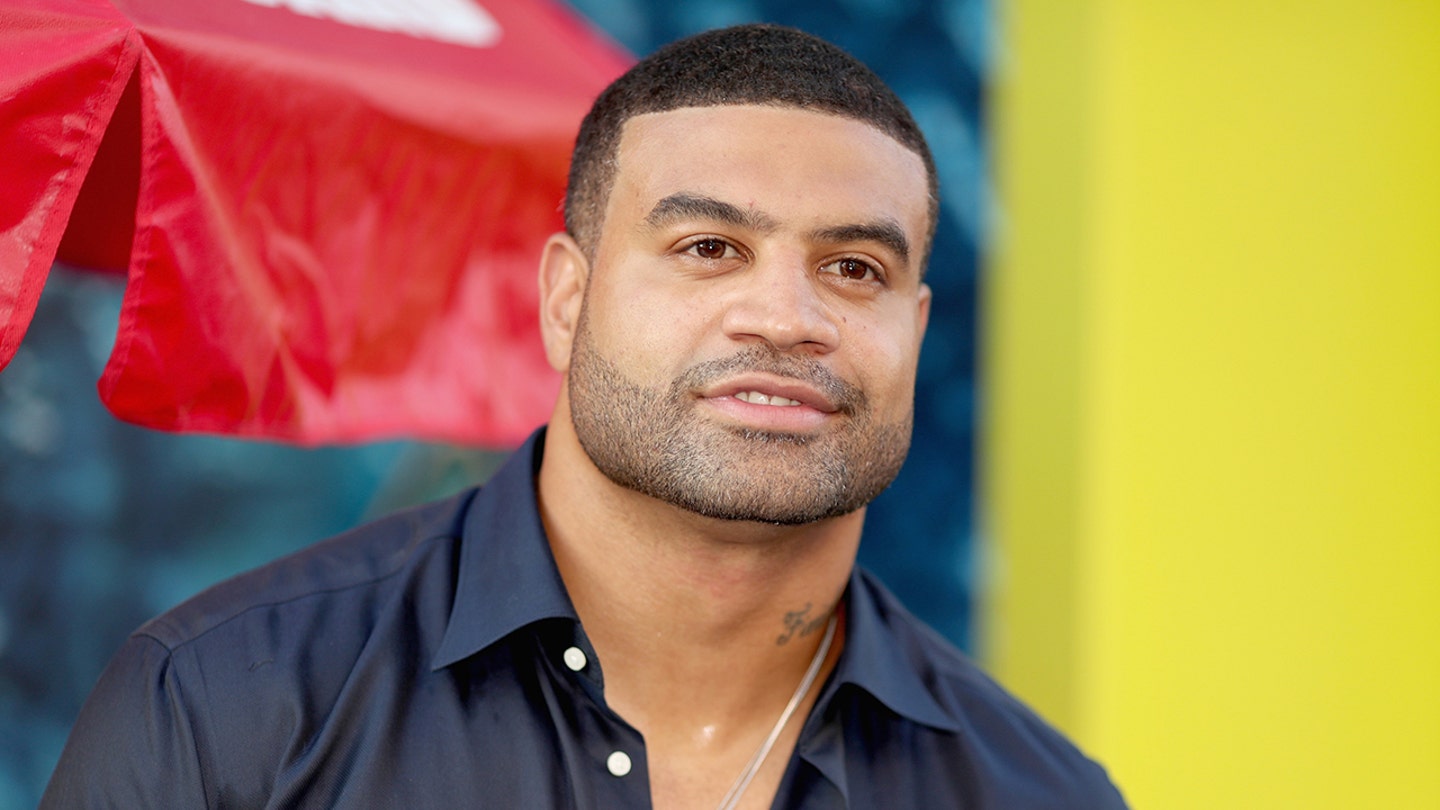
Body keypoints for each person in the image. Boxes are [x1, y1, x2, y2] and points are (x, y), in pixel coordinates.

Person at [42, 24, 1127, 810]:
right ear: (567, 299)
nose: (788, 319)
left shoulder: (1036, 792)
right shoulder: (227, 712)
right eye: (709, 248)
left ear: (916, 328)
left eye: (854, 268)